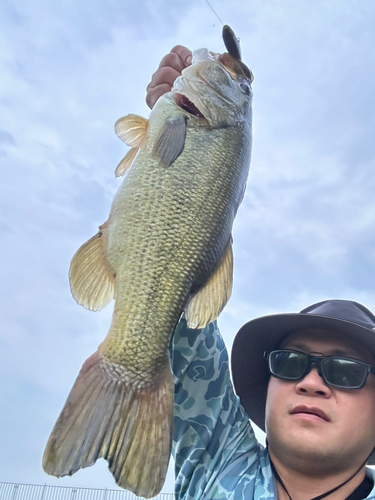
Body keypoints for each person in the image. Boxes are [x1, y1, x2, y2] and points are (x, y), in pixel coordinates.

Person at [146, 48, 375, 500]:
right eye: (289, 364)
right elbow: (174, 307)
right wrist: (174, 145)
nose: (311, 382)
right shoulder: (216, 457)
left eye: (346, 372)